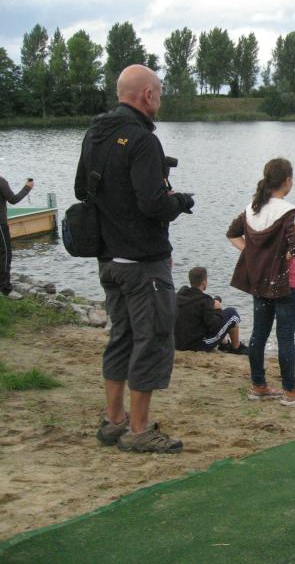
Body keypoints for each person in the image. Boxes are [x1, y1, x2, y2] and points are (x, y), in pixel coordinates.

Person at [76, 64, 194, 454]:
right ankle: (139, 429)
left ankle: (115, 420)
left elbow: (81, 188)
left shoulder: (95, 133)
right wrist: (180, 201)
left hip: (108, 258)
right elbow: (153, 204)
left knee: (121, 336)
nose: (160, 98)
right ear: (147, 95)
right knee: (153, 339)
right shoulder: (143, 140)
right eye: (159, 91)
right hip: (143, 262)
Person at [227, 158, 295, 406]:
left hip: (260, 281)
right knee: (285, 337)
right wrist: (287, 255)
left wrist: (253, 254)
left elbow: (232, 234)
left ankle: (258, 385)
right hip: (285, 283)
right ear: (287, 181)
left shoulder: (252, 208)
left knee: (259, 334)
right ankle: (290, 392)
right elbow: (294, 247)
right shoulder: (288, 212)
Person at [174, 266, 247, 354]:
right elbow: (214, 327)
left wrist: (211, 307)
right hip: (196, 345)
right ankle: (236, 347)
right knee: (232, 313)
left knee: (210, 318)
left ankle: (224, 344)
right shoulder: (205, 301)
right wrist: (218, 310)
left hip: (178, 343)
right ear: (204, 282)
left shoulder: (180, 296)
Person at [0, 175, 34, 296]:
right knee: (5, 255)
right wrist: (27, 188)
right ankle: (5, 288)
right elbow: (13, 199)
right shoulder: (1, 181)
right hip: (0, 225)